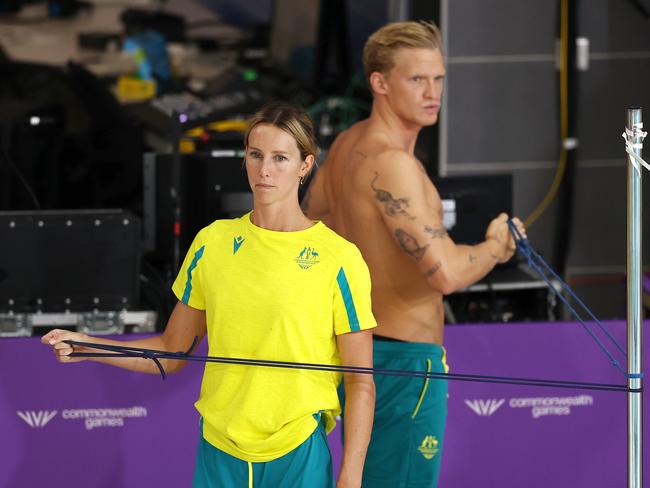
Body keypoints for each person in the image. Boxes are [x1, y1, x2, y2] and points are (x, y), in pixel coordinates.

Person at [43, 102, 377, 488]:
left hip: (297, 452)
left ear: (305, 165)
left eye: (280, 158)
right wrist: (89, 346)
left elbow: (360, 382)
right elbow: (172, 352)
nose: (264, 170)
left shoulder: (339, 258)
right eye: (255, 155)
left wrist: (350, 476)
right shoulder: (213, 242)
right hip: (219, 448)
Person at [302, 21, 526, 488]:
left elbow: (306, 232)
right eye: (416, 79)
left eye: (438, 79)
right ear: (380, 83)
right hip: (404, 366)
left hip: (353, 352)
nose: (432, 92)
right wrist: (495, 247)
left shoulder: (347, 147)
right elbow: (443, 273)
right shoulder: (393, 164)